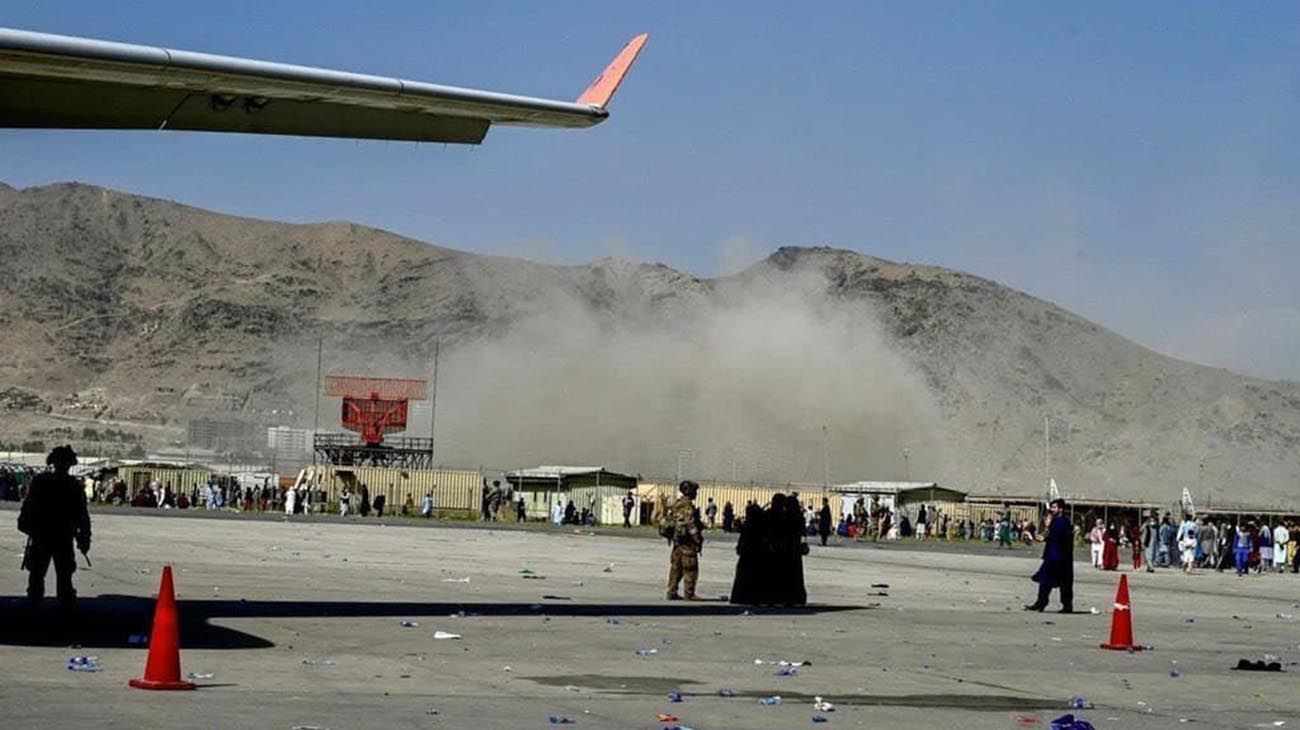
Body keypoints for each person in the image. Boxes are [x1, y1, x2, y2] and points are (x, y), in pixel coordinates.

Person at [18, 445, 91, 612]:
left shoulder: (41, 482)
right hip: (59, 536)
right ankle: (61, 607)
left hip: (46, 535)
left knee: (40, 574)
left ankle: (36, 605)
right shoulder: (72, 485)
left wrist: (26, 525)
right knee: (59, 575)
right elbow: (82, 516)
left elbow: (28, 508)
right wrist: (84, 538)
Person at [1025, 498, 1073, 613]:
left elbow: (1056, 538)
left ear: (1060, 509)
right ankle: (1041, 602)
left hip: (1060, 557)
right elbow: (1047, 537)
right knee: (1045, 580)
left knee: (1064, 583)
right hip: (1052, 555)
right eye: (1051, 507)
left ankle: (1066, 605)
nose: (1052, 509)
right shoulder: (1055, 521)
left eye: (1054, 507)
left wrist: (1045, 533)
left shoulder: (1063, 522)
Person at [664, 480, 704, 600]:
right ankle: (689, 593)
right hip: (687, 542)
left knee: (676, 567)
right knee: (690, 568)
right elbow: (690, 524)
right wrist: (697, 539)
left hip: (678, 542)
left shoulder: (677, 504)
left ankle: (671, 591)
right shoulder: (687, 506)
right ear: (689, 491)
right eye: (694, 491)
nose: (696, 493)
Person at [729, 501, 767, 605]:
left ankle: (741, 597)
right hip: (754, 554)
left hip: (747, 554)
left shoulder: (749, 525)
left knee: (743, 576)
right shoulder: (758, 525)